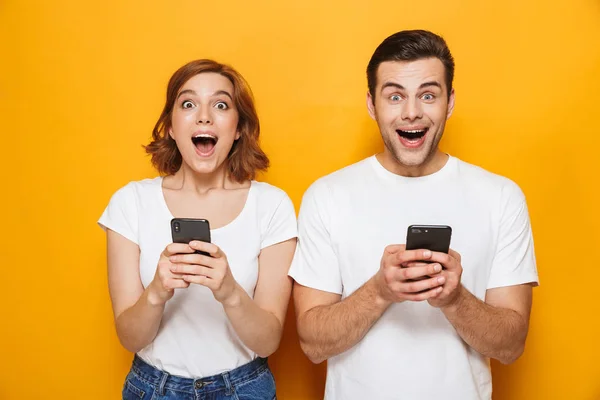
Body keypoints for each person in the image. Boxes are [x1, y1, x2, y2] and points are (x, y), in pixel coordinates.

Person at [289, 30, 539, 400]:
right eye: (394, 96)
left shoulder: (501, 198)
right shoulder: (327, 196)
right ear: (372, 105)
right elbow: (312, 343)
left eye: (427, 94)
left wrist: (454, 299)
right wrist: (379, 290)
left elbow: (511, 345)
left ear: (449, 102)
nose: (411, 112)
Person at [98, 59, 297, 400]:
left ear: (238, 128)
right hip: (152, 389)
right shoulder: (130, 202)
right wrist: (158, 291)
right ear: (172, 127)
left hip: (244, 389)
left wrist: (229, 291)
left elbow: (268, 341)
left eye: (221, 105)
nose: (204, 116)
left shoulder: (272, 206)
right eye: (188, 104)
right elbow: (129, 338)